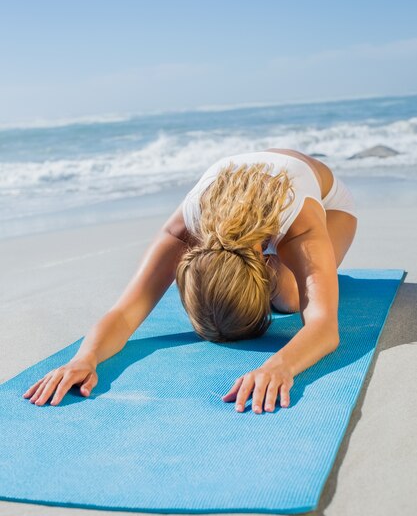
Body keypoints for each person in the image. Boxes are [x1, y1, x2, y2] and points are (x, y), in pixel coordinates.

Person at [23, 148, 358, 414]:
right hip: (253, 194)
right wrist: (84, 359)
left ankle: (278, 272)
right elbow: (125, 312)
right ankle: (271, 270)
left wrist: (278, 367)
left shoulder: (299, 222)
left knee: (288, 299)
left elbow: (324, 327)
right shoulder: (186, 226)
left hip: (330, 206)